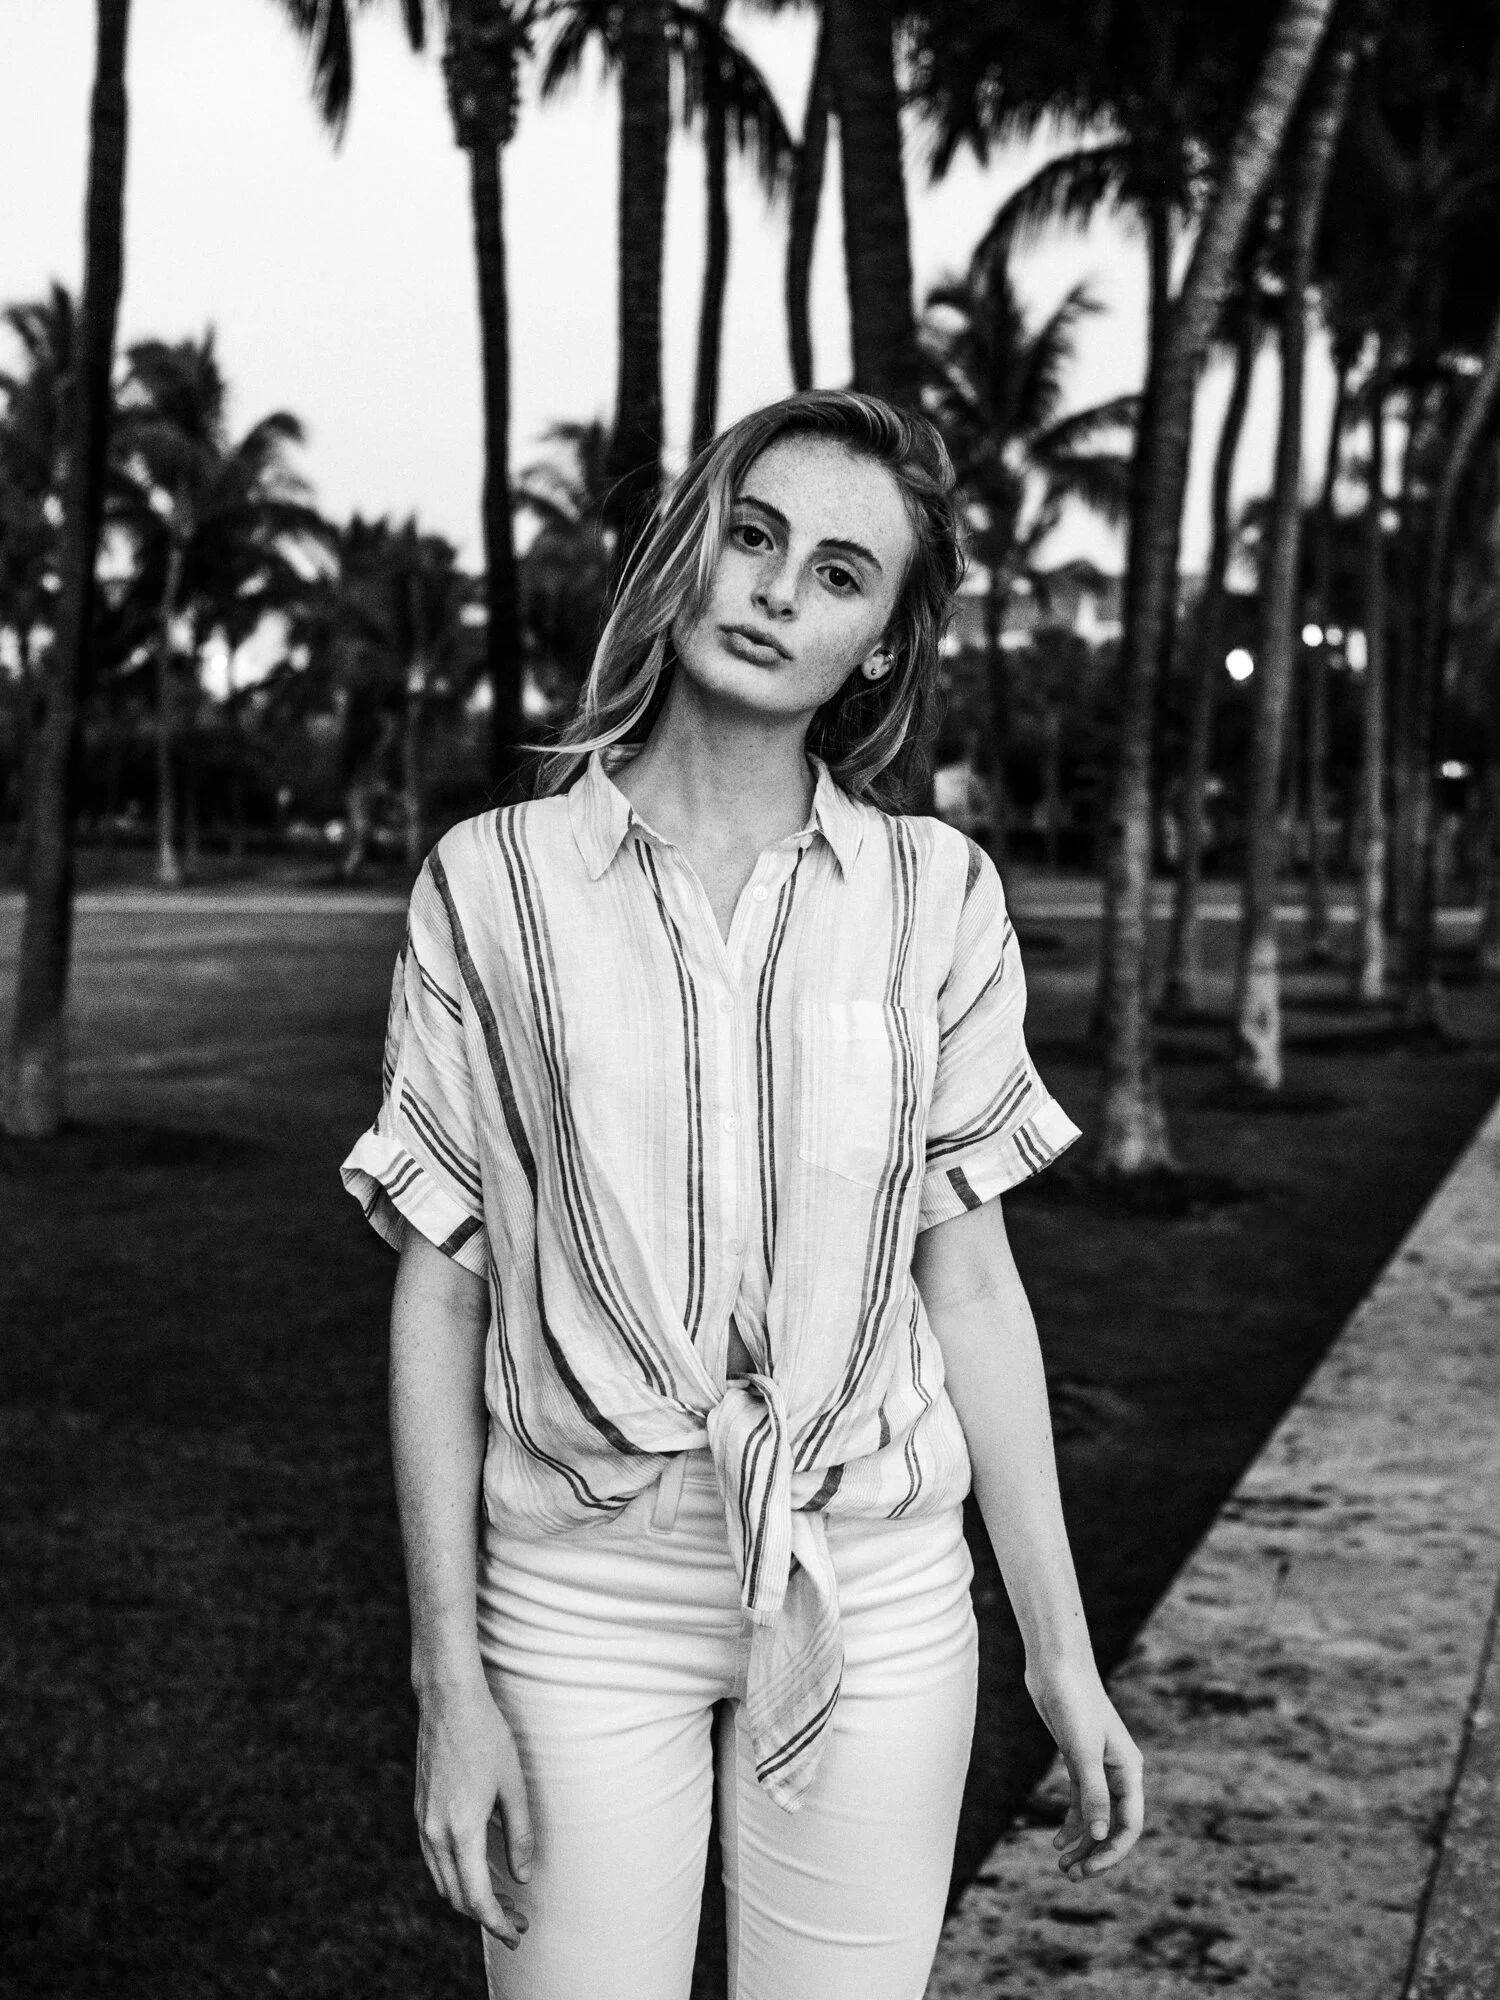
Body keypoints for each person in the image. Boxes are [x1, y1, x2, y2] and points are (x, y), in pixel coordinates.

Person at [341, 390, 1144, 2000]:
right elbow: (443, 1282)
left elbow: (969, 1284)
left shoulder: (937, 900)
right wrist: (450, 1685)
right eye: (756, 537)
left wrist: (1060, 1646)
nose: (779, 591)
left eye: (842, 575)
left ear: (880, 648)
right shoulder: (492, 886)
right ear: (689, 550)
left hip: (880, 1581)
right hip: (581, 1588)